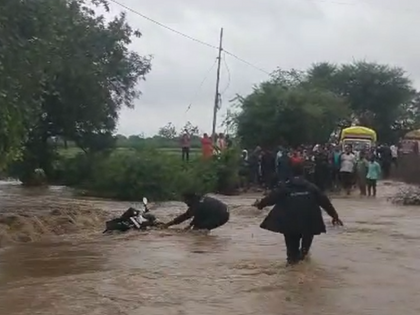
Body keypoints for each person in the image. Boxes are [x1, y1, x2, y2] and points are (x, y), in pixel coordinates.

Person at [253, 164, 343, 266]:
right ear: (303, 174)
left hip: (290, 223)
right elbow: (325, 202)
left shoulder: (285, 187)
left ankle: (292, 271)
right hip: (309, 222)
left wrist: (260, 205)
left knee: (292, 255)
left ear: (290, 174)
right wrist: (335, 216)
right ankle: (303, 267)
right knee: (304, 252)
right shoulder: (312, 187)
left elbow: (271, 199)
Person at [163, 192, 230, 231]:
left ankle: (203, 244)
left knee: (197, 230)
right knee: (199, 228)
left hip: (220, 215)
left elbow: (185, 216)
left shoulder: (196, 204)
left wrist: (167, 224)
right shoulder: (200, 200)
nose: (185, 202)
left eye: (185, 200)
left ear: (189, 199)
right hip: (222, 212)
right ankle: (206, 241)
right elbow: (200, 214)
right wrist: (190, 225)